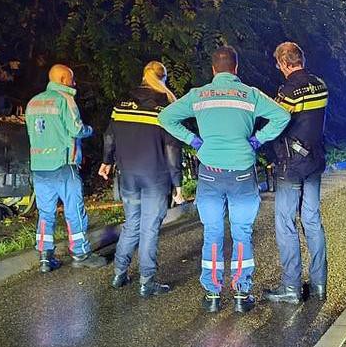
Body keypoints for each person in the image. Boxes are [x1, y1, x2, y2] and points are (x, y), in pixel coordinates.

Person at [159, 46, 290, 313]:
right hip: (242, 172)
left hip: (210, 173)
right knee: (242, 232)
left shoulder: (199, 95)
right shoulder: (250, 94)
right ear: (236, 69)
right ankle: (242, 294)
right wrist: (256, 139)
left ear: (213, 69)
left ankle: (212, 295)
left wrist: (193, 140)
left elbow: (165, 117)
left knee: (212, 233)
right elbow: (282, 116)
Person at [98, 61, 184, 298]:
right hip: (155, 178)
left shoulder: (123, 102)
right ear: (163, 78)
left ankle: (119, 273)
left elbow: (109, 136)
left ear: (144, 77)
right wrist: (177, 184)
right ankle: (147, 281)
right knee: (149, 228)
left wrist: (106, 161)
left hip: (128, 176)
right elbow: (172, 148)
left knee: (131, 224)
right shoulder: (165, 105)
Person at [263, 42, 329, 303]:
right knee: (312, 221)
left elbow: (278, 121)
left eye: (279, 64)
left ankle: (290, 287)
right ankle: (319, 284)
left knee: (286, 223)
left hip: (291, 165)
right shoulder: (320, 84)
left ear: (284, 63)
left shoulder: (290, 90)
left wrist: (258, 140)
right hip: (314, 161)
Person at [25, 64, 108, 272]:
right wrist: (90, 130)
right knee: (74, 209)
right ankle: (80, 253)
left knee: (46, 212)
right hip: (63, 165)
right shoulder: (65, 100)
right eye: (71, 79)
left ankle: (45, 257)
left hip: (39, 167)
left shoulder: (33, 102)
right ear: (63, 80)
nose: (74, 83)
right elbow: (76, 129)